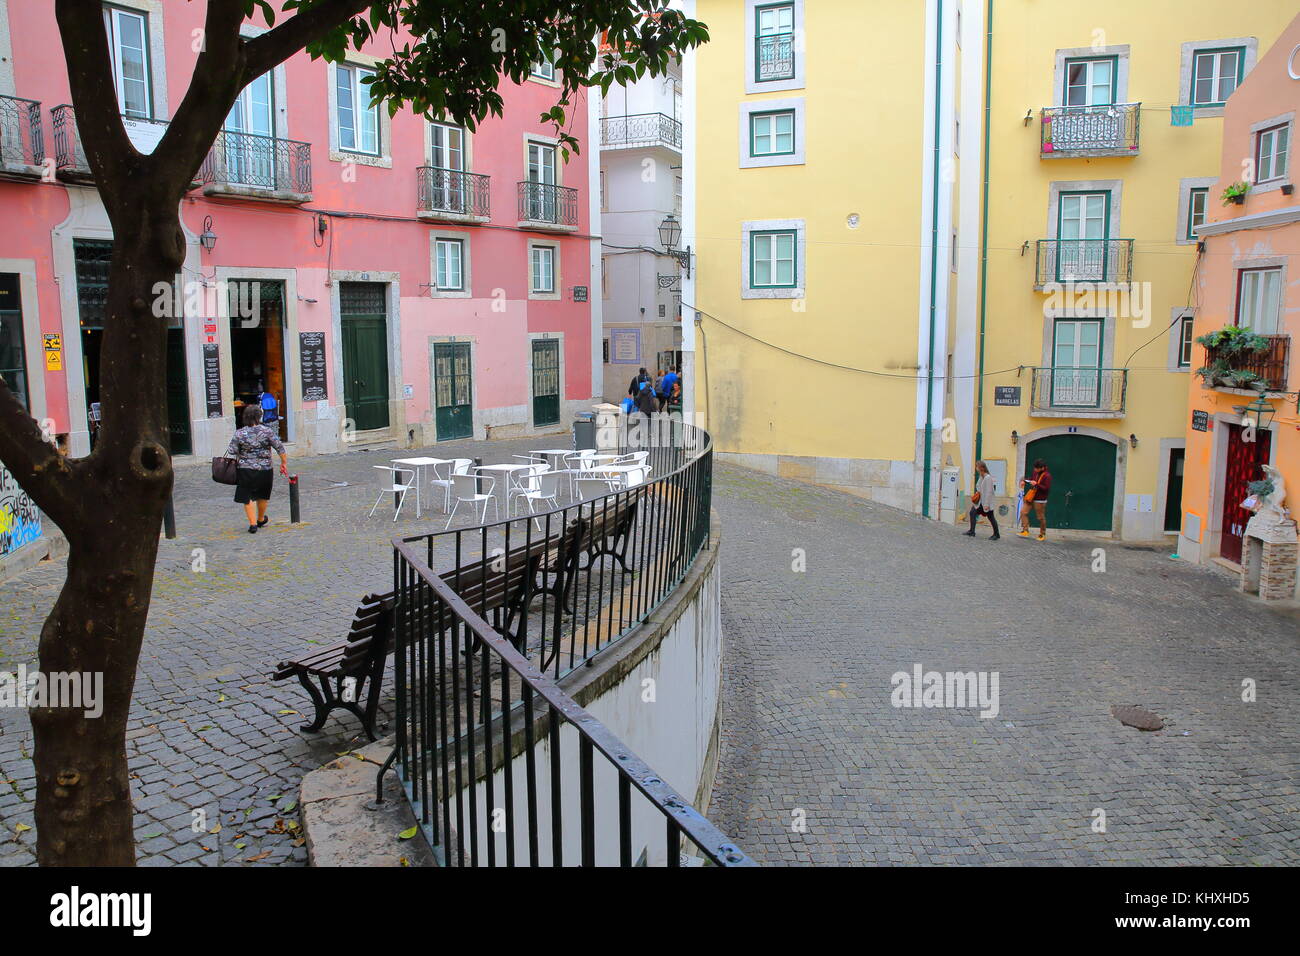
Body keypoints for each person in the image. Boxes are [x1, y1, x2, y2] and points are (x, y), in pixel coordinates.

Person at [226, 403, 288, 534]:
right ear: (259, 416)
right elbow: (280, 448)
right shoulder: (267, 431)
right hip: (265, 468)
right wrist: (283, 463)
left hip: (245, 468)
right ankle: (260, 519)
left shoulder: (240, 433)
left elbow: (232, 450)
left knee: (248, 496)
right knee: (263, 495)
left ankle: (252, 524)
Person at [963, 460, 1000, 540]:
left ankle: (996, 534)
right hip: (980, 502)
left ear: (981, 468)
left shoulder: (988, 478)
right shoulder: (982, 477)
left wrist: (986, 504)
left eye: (977, 466)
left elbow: (989, 492)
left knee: (991, 517)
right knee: (973, 512)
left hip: (986, 503)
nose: (976, 468)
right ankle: (972, 531)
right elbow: (978, 487)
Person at [1017, 458, 1052, 540]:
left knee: (1040, 517)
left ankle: (1042, 534)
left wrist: (1037, 484)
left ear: (1042, 468)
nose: (1035, 470)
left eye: (1037, 468)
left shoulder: (1047, 476)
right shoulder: (1035, 472)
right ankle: (1025, 531)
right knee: (1023, 512)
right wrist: (1024, 481)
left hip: (1040, 499)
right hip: (1031, 497)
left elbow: (1046, 488)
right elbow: (1031, 478)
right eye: (1035, 468)